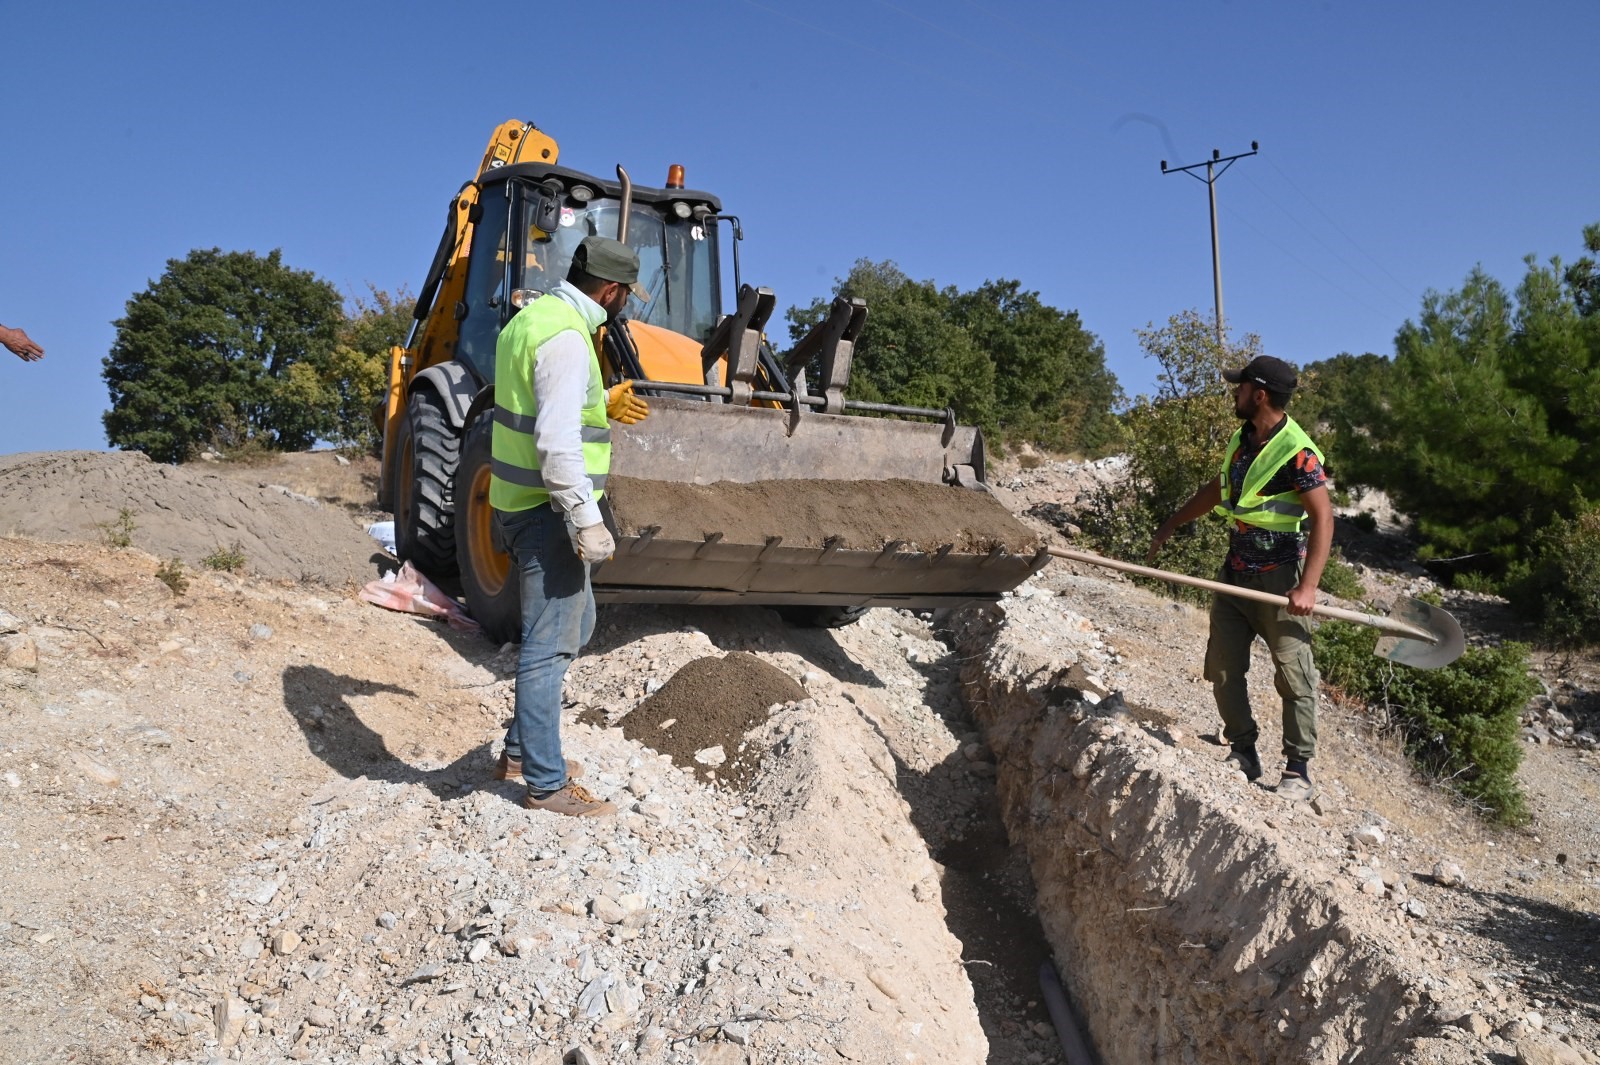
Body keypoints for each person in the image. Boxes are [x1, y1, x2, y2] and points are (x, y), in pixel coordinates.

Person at [488, 235, 651, 817]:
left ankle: (518, 751)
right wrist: (585, 519)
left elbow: (538, 405)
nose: (625, 303)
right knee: (549, 646)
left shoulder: (535, 319)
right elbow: (555, 444)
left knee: (577, 625)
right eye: (626, 294)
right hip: (547, 510)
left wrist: (598, 405)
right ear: (610, 290)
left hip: (517, 500)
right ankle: (546, 783)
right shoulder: (566, 338)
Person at [1147, 355, 1331, 801]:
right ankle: (1244, 751)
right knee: (1224, 668)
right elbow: (1219, 489)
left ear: (1260, 394)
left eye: (1241, 386)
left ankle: (1298, 771)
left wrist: (1307, 587)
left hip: (1279, 581)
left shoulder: (1298, 453)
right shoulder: (1243, 440)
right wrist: (1172, 523)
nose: (1235, 392)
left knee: (1293, 675)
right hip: (1234, 576)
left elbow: (1323, 518)